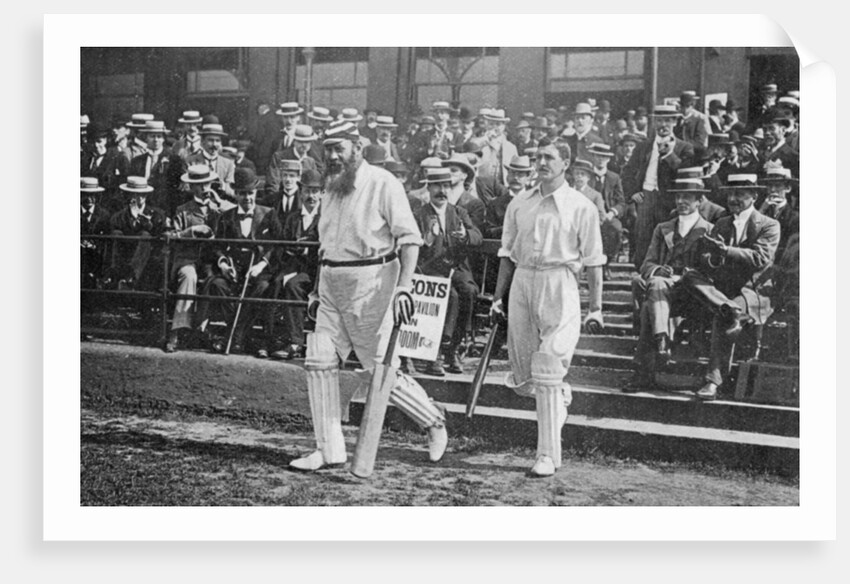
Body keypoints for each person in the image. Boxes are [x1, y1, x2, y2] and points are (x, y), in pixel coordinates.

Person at [289, 119, 448, 472]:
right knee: (318, 360)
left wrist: (404, 287)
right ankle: (328, 449)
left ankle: (433, 422)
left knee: (375, 370)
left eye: (339, 148)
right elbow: (325, 245)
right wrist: (317, 287)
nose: (332, 156)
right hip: (331, 284)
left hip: (373, 284)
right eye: (328, 148)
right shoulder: (330, 186)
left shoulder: (383, 183)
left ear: (357, 147)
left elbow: (409, 240)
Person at [489, 141, 605, 477]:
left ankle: (546, 455)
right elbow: (507, 255)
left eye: (548, 158)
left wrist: (595, 307)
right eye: (537, 158)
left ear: (565, 163)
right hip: (523, 282)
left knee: (548, 365)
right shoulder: (519, 203)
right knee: (526, 379)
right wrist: (498, 297)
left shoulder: (581, 206)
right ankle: (560, 396)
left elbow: (594, 260)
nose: (541, 163)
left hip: (560, 282)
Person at [679, 174, 780, 400]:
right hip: (721, 290)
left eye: (740, 194)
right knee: (689, 276)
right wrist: (711, 257)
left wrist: (725, 251)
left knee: (723, 316)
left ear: (754, 196)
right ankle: (727, 307)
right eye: (731, 194)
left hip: (752, 290)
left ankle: (713, 381)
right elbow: (707, 257)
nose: (733, 199)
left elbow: (760, 258)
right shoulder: (722, 223)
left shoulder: (769, 225)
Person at [624, 178, 714, 391]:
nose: (681, 201)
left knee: (649, 304)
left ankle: (643, 369)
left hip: (692, 294)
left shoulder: (709, 230)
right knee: (653, 287)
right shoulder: (663, 228)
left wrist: (685, 275)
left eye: (687, 197)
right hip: (662, 292)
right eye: (678, 197)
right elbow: (647, 263)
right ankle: (662, 341)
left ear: (699, 201)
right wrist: (658, 270)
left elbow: (711, 270)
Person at [196, 167, 274, 357]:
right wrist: (223, 264)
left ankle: (235, 337)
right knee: (216, 285)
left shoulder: (268, 214)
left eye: (251, 193)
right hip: (234, 273)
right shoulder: (226, 217)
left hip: (257, 272)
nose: (247, 198)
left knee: (263, 287)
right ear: (236, 194)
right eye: (243, 194)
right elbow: (217, 247)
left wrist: (261, 265)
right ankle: (243, 337)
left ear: (256, 193)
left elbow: (275, 246)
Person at [413, 167, 483, 376]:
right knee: (449, 297)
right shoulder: (420, 215)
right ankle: (436, 353)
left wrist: (465, 235)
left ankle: (453, 350)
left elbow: (477, 236)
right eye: (437, 186)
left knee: (469, 292)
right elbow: (415, 245)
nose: (442, 191)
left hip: (456, 267)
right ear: (429, 188)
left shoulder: (458, 212)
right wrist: (429, 239)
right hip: (430, 270)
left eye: (446, 186)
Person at [621, 104, 695, 269]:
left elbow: (685, 174)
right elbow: (627, 172)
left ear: (675, 123)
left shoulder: (684, 148)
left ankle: (664, 279)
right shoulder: (643, 146)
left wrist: (669, 155)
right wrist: (633, 193)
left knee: (668, 240)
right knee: (643, 240)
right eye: (660, 120)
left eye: (668, 121)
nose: (663, 125)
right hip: (646, 198)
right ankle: (641, 279)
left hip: (670, 201)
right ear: (654, 123)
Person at [163, 165, 223, 353]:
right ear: (191, 187)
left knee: (214, 281)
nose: (204, 188)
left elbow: (231, 220)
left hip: (209, 261)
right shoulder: (183, 210)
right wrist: (191, 232)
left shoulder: (217, 209)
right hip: (186, 259)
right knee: (189, 276)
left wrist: (219, 204)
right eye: (199, 185)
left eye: (207, 183)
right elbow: (172, 235)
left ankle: (204, 329)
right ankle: (177, 331)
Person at [267, 169, 323, 360]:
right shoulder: (292, 218)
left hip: (316, 273)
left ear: (322, 193)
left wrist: (307, 250)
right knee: (273, 284)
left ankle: (295, 342)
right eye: (307, 191)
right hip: (292, 267)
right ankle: (270, 339)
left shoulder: (325, 219)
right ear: (301, 192)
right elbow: (283, 247)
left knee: (293, 286)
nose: (311, 196)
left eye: (316, 191)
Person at [106, 176, 168, 290]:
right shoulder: (119, 216)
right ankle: (113, 276)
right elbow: (116, 232)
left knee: (145, 235)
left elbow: (159, 235)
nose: (139, 197)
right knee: (116, 233)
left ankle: (131, 278)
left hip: (147, 254)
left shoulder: (157, 214)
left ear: (146, 195)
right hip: (124, 253)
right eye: (134, 194)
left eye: (142, 194)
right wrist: (132, 217)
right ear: (129, 196)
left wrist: (147, 224)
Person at [129, 120, 184, 217]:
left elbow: (176, 191)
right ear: (146, 138)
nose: (156, 140)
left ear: (163, 139)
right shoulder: (137, 161)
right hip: (142, 210)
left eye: (159, 136)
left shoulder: (173, 160)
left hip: (164, 210)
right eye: (152, 136)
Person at [587, 142, 626, 272]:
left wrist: (612, 213)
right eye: (598, 156)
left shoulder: (614, 177)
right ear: (592, 157)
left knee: (616, 228)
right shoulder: (587, 176)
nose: (601, 160)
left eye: (604, 157)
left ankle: (606, 264)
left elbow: (621, 202)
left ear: (608, 159)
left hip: (607, 215)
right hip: (588, 215)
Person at [186, 122, 237, 206]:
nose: (214, 145)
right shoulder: (190, 161)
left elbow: (231, 191)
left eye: (217, 141)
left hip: (220, 207)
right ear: (202, 142)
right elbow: (186, 188)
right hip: (197, 207)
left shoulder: (228, 163)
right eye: (210, 140)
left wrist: (223, 186)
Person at [485, 154, 534, 239]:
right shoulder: (495, 204)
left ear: (528, 177)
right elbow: (488, 232)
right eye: (512, 173)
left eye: (520, 174)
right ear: (507, 176)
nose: (515, 178)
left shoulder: (536, 202)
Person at [759, 167, 799, 261]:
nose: (772, 190)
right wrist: (762, 209)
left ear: (788, 188)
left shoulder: (795, 217)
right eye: (769, 186)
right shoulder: (761, 211)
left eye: (777, 186)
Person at [80, 177, 111, 292]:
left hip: (97, 254)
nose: (89, 199)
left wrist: (95, 244)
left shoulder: (104, 215)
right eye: (85, 195)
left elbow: (107, 237)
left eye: (93, 195)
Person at [477, 109, 518, 186]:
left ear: (504, 126)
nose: (495, 127)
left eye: (498, 124)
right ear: (487, 125)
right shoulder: (480, 143)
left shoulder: (511, 147)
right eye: (491, 124)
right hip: (483, 185)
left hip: (503, 185)